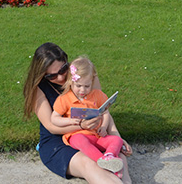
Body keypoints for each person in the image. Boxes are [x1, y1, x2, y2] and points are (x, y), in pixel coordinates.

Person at [23, 43, 132, 184]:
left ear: (67, 61)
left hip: (92, 134)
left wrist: (116, 136)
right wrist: (82, 126)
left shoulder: (84, 76)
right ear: (42, 74)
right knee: (90, 164)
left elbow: (102, 109)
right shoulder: (38, 88)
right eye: (52, 76)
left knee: (119, 159)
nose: (61, 78)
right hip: (58, 139)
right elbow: (51, 126)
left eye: (63, 70)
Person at [51, 56, 125, 178]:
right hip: (78, 135)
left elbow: (105, 113)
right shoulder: (65, 99)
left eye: (87, 86)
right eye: (78, 85)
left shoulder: (97, 95)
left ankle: (109, 156)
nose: (82, 90)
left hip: (97, 136)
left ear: (92, 82)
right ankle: (102, 161)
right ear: (71, 82)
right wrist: (70, 121)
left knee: (117, 140)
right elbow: (54, 119)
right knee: (79, 140)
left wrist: (104, 127)